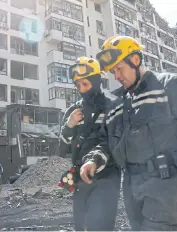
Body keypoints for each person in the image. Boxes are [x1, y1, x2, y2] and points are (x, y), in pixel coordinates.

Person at [79, 36, 177, 231]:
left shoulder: (170, 86)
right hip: (132, 185)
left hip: (168, 182)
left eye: (119, 69)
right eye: (113, 71)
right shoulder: (117, 105)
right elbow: (107, 141)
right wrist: (93, 160)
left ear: (135, 60)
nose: (116, 76)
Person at [58, 56, 121, 231]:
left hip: (106, 177)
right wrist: (69, 126)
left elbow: (114, 142)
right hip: (80, 178)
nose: (82, 90)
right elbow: (62, 150)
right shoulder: (73, 110)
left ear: (96, 81)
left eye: (85, 84)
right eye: (78, 86)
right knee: (81, 227)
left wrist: (94, 160)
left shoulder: (112, 106)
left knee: (99, 226)